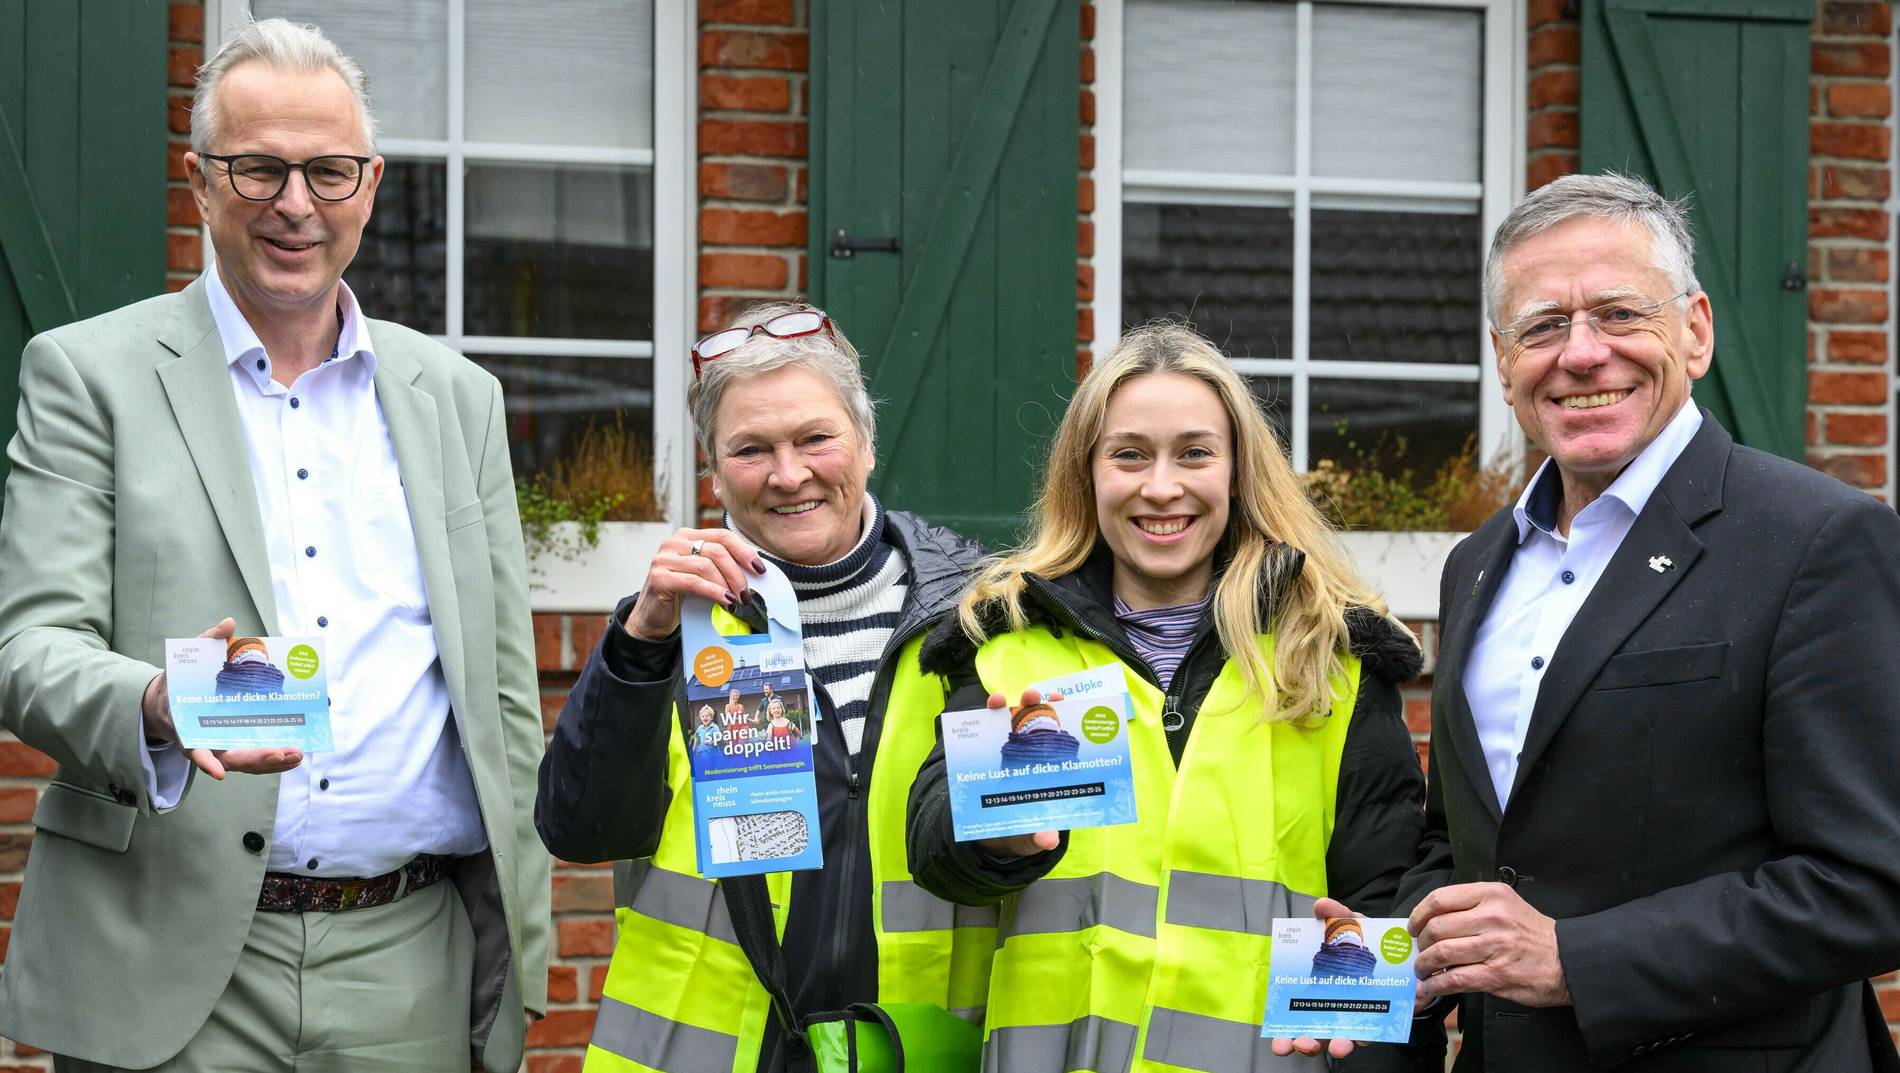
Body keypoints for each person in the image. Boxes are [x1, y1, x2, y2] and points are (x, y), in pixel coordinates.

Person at [0, 19, 547, 1072]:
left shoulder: (458, 398)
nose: (295, 204)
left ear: (371, 182)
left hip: (409, 955)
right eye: (259, 168)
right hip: (169, 945)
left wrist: (523, 932)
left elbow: (502, 692)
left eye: (327, 171)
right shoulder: (87, 375)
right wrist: (155, 703)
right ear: (201, 180)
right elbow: (29, 646)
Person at [1317, 172, 1900, 1071]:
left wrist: (1576, 959)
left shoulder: (1818, 540)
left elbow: (1871, 885)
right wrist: (1391, 957)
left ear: (1695, 330)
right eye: (1543, 325)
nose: (1582, 354)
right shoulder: (1476, 564)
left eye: (1620, 314)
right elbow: (1464, 845)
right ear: (1504, 360)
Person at [906, 324, 1431, 1072]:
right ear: (1086, 475)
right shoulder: (1005, 645)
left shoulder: (1331, 660)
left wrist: (1361, 1031)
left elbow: (1382, 907)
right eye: (1129, 454)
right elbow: (932, 851)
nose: (1161, 486)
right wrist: (991, 838)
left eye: (1194, 452)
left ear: (1238, 472)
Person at [535, 303, 992, 1072]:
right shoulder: (670, 628)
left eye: (815, 437)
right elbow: (582, 829)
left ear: (866, 442)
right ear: (713, 470)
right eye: (751, 449)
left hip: (915, 1050)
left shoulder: (977, 615)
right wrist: (640, 642)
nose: (789, 474)